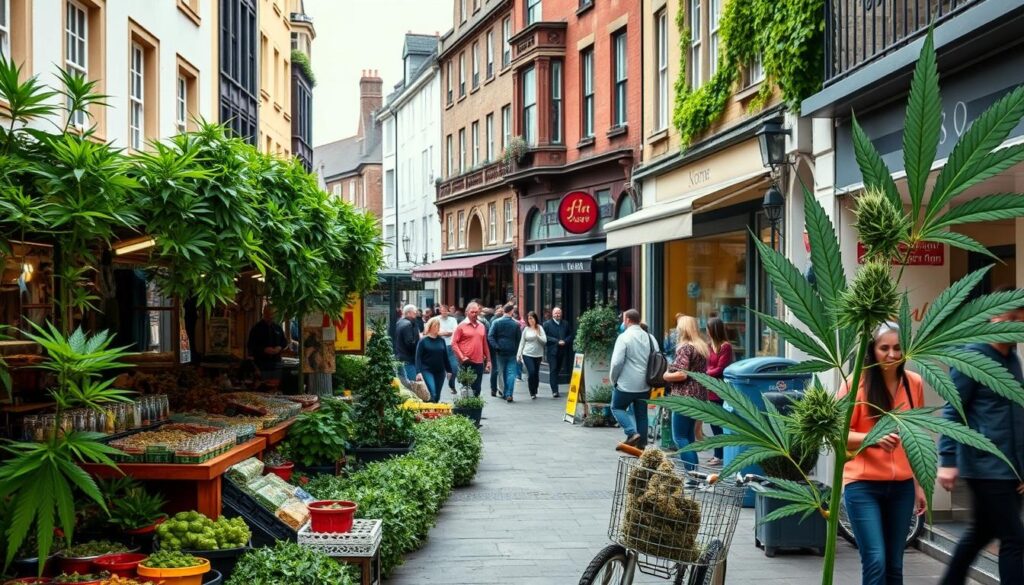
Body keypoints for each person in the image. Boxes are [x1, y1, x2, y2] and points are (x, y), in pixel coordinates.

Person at [938, 295, 1024, 585]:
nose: (1014, 324)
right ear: (993, 318)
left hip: (1008, 468)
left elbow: (1016, 418)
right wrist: (947, 459)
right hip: (985, 465)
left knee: (981, 533)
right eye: (1009, 317)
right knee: (1014, 539)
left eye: (1019, 318)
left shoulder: (1012, 359)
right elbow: (953, 409)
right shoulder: (971, 358)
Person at [840, 321, 926, 585]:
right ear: (872, 350)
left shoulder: (914, 384)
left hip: (901, 487)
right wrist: (872, 439)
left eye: (898, 348)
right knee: (875, 559)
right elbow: (837, 433)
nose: (892, 355)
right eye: (885, 348)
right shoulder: (857, 384)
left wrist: (919, 484)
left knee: (894, 564)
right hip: (862, 485)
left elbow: (916, 438)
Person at [662, 315, 709, 468]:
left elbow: (682, 374)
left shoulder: (685, 348)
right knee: (689, 436)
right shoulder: (701, 347)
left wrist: (666, 375)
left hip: (684, 397)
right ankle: (694, 475)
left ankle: (692, 475)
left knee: (679, 437)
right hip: (699, 395)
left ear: (683, 329)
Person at [609, 309, 660, 446]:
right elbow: (658, 357)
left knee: (616, 407)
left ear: (627, 320)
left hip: (626, 383)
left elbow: (616, 362)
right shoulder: (650, 338)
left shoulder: (624, 337)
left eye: (623, 320)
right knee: (642, 415)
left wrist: (614, 379)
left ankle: (631, 432)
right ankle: (641, 445)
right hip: (645, 384)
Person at [704, 317, 734, 466]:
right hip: (710, 389)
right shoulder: (710, 346)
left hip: (719, 389)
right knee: (713, 424)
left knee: (720, 422)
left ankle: (721, 455)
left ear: (714, 330)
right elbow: (707, 364)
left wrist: (705, 374)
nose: (707, 332)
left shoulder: (725, 346)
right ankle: (718, 454)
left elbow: (721, 369)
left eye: (708, 329)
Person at [451, 302, 491, 397]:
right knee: (467, 387)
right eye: (472, 312)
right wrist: (461, 357)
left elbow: (484, 343)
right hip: (466, 361)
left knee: (477, 388)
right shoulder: (461, 326)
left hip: (479, 361)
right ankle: (467, 408)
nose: (475, 314)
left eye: (476, 312)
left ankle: (475, 406)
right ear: (467, 312)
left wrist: (489, 360)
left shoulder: (481, 326)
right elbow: (454, 343)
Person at [488, 303, 522, 402]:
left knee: (501, 372)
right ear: (511, 311)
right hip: (511, 351)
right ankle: (509, 394)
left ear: (504, 311)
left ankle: (503, 392)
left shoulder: (496, 322)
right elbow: (518, 339)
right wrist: (516, 350)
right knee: (511, 373)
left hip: (500, 351)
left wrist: (496, 346)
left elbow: (490, 336)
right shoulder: (516, 324)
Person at [247, 304, 287, 383]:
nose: (271, 317)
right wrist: (263, 349)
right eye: (269, 315)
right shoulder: (256, 328)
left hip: (276, 362)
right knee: (264, 386)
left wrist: (279, 347)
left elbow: (284, 342)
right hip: (262, 363)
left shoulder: (277, 328)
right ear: (264, 314)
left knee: (276, 386)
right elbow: (250, 346)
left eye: (273, 315)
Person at [416, 317, 452, 403]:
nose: (437, 327)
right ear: (430, 327)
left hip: (440, 371)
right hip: (427, 370)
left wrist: (449, 370)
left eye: (438, 325)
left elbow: (445, 357)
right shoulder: (423, 341)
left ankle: (434, 413)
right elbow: (418, 357)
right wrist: (418, 372)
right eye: (435, 325)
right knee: (432, 392)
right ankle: (429, 411)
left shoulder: (441, 340)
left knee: (437, 395)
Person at [543, 307, 573, 398]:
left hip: (562, 351)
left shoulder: (565, 323)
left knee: (558, 369)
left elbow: (570, 335)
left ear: (561, 314)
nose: (557, 315)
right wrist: (557, 341)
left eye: (559, 313)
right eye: (556, 313)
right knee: (553, 369)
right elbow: (545, 337)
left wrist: (565, 341)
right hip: (552, 351)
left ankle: (555, 387)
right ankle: (554, 391)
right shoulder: (547, 324)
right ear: (552, 314)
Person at [517, 311, 547, 399]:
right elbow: (522, 342)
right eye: (529, 318)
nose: (530, 320)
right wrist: (519, 354)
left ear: (535, 318)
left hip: (538, 354)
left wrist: (538, 335)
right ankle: (532, 392)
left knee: (536, 373)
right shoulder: (526, 329)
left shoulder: (540, 328)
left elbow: (544, 341)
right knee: (532, 372)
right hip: (527, 354)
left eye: (532, 318)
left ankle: (535, 389)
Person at [393, 304, 420, 385]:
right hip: (408, 358)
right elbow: (410, 343)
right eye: (414, 313)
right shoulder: (408, 324)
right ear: (408, 313)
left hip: (399, 356)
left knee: (403, 382)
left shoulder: (399, 322)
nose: (416, 315)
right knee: (411, 384)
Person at [437, 304, 461, 393]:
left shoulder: (453, 319)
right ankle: (438, 388)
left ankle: (451, 384)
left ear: (448, 311)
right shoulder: (436, 319)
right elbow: (434, 332)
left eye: (445, 310)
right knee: (440, 370)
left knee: (454, 368)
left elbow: (455, 331)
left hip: (451, 347)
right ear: (440, 311)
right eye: (442, 310)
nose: (444, 312)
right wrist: (447, 333)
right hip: (439, 347)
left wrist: (443, 333)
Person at [487, 305, 504, 397]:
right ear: (495, 311)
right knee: (496, 369)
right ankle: (494, 389)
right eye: (499, 311)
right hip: (495, 348)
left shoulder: (498, 319)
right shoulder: (494, 320)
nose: (500, 313)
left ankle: (495, 389)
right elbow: (491, 335)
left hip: (497, 347)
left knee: (497, 369)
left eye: (502, 311)